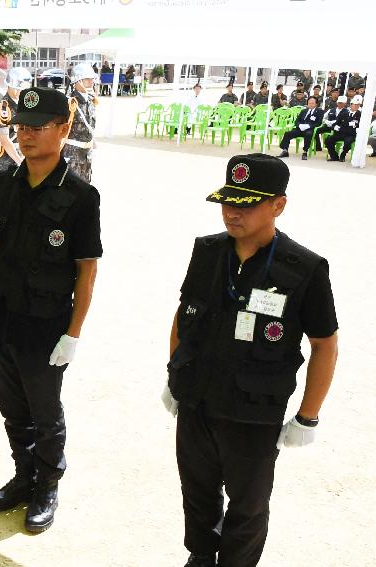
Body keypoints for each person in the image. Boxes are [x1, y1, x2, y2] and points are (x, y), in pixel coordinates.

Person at [163, 153, 339, 567]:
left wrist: (307, 416)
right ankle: (202, 555)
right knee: (198, 491)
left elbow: (325, 344)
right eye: (227, 202)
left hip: (253, 412)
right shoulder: (207, 251)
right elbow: (184, 314)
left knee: (248, 505)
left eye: (246, 204)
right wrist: (174, 377)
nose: (232, 213)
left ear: (278, 205)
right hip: (198, 401)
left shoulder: (304, 267)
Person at [0, 87, 102, 534]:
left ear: (64, 130)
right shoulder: (7, 182)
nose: (25, 136)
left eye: (37, 127)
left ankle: (47, 483)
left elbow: (86, 271)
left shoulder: (81, 197)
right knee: (12, 408)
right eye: (20, 127)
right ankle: (23, 476)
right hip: (6, 316)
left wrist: (74, 333)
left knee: (44, 411)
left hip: (46, 323)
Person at [0, 68, 31, 194]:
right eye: (22, 88)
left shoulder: (23, 106)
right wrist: (22, 164)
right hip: (5, 163)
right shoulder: (2, 109)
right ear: (12, 87)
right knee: (4, 207)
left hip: (19, 158)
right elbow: (5, 141)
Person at [64, 62, 98, 183]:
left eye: (92, 78)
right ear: (78, 81)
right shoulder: (69, 103)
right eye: (88, 79)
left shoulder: (91, 100)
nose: (92, 81)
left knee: (85, 191)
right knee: (70, 192)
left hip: (86, 156)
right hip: (72, 156)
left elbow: (90, 125)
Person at [326, 95, 362, 162]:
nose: (357, 106)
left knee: (348, 142)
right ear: (351, 105)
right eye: (355, 105)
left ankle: (343, 155)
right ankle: (334, 156)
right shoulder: (344, 112)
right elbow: (337, 122)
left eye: (358, 105)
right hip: (341, 132)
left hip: (351, 134)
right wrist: (335, 127)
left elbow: (360, 124)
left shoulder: (359, 114)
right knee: (328, 140)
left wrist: (353, 124)